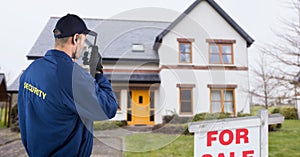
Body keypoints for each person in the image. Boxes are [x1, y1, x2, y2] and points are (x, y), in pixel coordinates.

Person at [18, 14, 118, 156]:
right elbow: (109, 107)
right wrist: (97, 73)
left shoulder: (30, 71)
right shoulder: (72, 76)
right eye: (83, 41)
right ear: (75, 38)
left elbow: (24, 118)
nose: (83, 46)